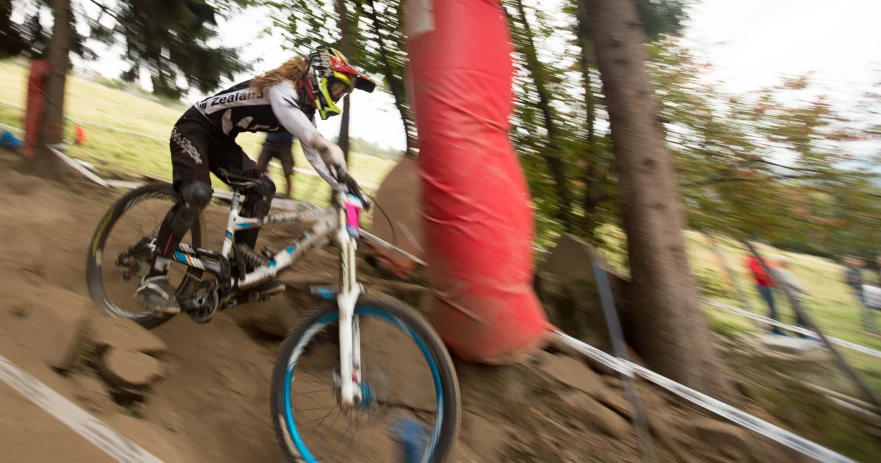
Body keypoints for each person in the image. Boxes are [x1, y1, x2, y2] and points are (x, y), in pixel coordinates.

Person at [137, 46, 376, 313]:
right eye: (337, 88)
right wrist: (322, 143)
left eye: (343, 93)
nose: (338, 96)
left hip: (222, 142)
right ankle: (155, 277)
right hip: (193, 129)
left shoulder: (304, 110)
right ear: (320, 76)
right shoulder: (282, 88)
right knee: (197, 194)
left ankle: (242, 270)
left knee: (263, 188)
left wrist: (346, 186)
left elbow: (315, 155)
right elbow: (301, 128)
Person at [745, 250, 782, 334]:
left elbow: (772, 269)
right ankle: (772, 329)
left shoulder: (762, 258)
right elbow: (756, 273)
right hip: (762, 285)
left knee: (775, 307)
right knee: (772, 307)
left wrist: (774, 280)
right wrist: (769, 277)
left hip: (772, 285)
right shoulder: (752, 259)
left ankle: (773, 327)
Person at [844, 256, 879, 337]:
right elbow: (848, 281)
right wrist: (856, 282)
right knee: (867, 311)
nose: (860, 263)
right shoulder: (850, 270)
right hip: (859, 292)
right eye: (858, 261)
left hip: (865, 291)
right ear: (853, 261)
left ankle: (871, 329)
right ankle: (869, 329)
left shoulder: (858, 270)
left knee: (869, 311)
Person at [257, 130, 296, 199]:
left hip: (285, 144)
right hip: (269, 142)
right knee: (259, 168)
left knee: (288, 171)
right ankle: (261, 190)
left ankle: (288, 195)